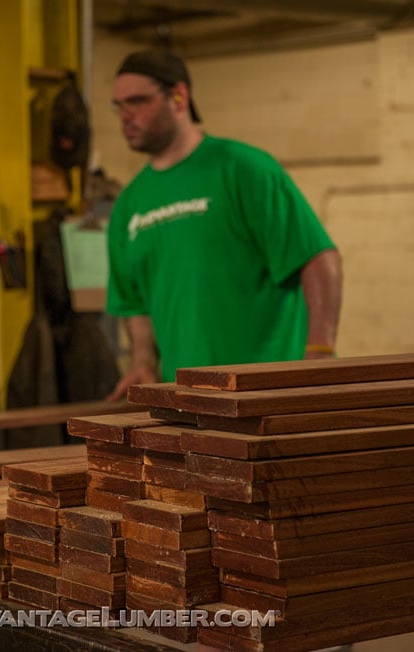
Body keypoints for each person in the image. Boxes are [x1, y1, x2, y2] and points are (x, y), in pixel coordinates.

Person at [105, 49, 343, 400]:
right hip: (188, 401)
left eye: (137, 102)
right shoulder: (129, 205)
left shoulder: (242, 169)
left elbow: (319, 259)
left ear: (179, 96)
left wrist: (319, 355)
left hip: (269, 394)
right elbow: (134, 304)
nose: (126, 116)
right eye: (118, 106)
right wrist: (143, 362)